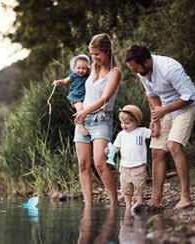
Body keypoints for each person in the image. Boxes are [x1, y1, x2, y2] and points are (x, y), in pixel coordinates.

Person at [124, 45, 195, 209]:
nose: (134, 72)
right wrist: (156, 119)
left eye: (136, 68)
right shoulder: (142, 72)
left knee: (173, 145)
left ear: (147, 61)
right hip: (165, 109)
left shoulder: (169, 68)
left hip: (186, 107)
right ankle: (156, 200)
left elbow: (189, 96)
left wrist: (163, 110)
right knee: (157, 151)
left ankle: (185, 197)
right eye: (132, 69)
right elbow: (152, 95)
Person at [74, 33, 121, 207]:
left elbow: (104, 100)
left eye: (97, 54)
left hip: (101, 120)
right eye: (92, 54)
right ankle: (88, 205)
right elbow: (76, 89)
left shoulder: (115, 73)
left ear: (107, 52)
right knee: (83, 164)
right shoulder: (92, 68)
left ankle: (114, 203)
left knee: (100, 163)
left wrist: (85, 112)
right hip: (83, 120)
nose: (94, 58)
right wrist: (79, 109)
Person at [105, 105, 152, 214]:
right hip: (124, 166)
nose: (124, 126)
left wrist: (154, 123)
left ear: (136, 121)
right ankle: (128, 205)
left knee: (139, 186)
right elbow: (116, 148)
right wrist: (109, 150)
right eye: (122, 123)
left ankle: (139, 202)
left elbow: (153, 133)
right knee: (126, 188)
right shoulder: (121, 134)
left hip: (138, 165)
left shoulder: (142, 131)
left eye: (127, 123)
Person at [53, 54, 91, 136]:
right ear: (74, 68)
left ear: (87, 69)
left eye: (83, 68)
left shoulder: (88, 76)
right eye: (78, 68)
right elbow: (65, 81)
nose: (81, 70)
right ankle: (79, 124)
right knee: (80, 109)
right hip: (76, 96)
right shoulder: (73, 75)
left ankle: (85, 123)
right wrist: (59, 82)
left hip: (84, 97)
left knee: (85, 109)